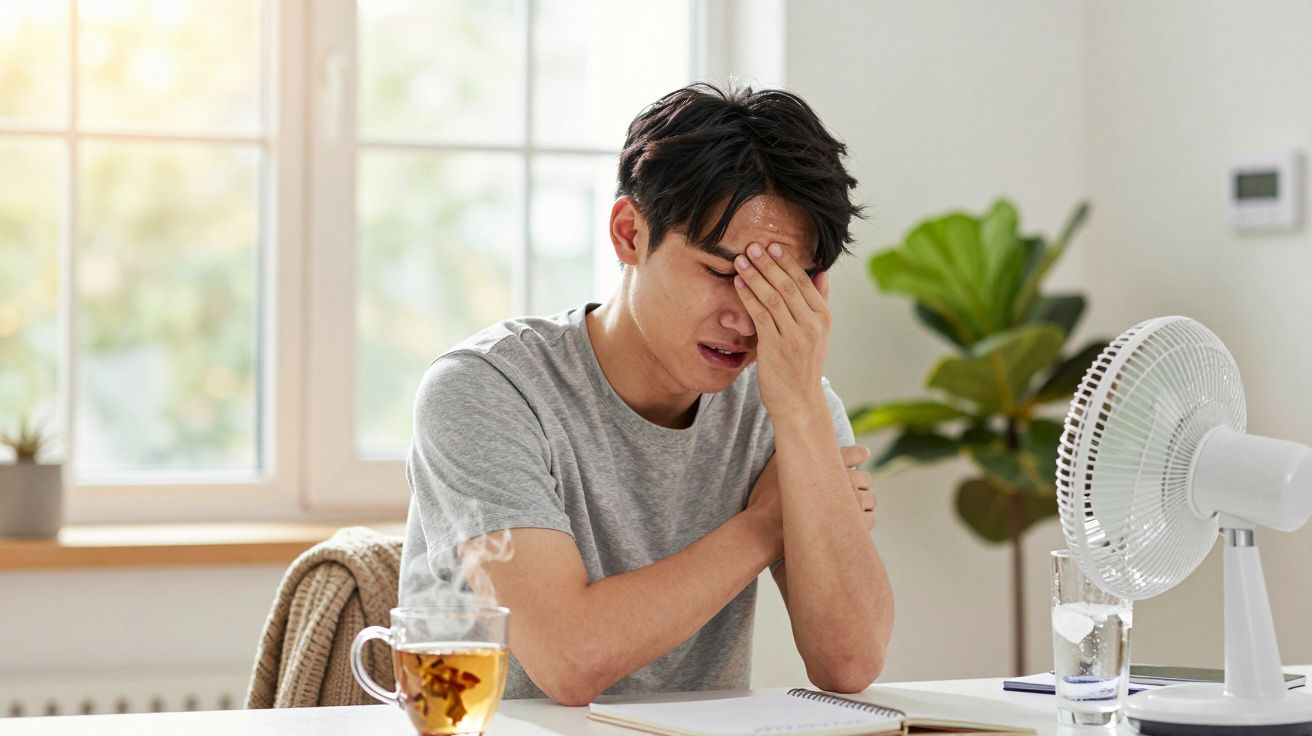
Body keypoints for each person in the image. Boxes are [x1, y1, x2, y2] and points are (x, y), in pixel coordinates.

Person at [399, 83, 894, 706]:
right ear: (629, 232)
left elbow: (849, 662)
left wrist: (800, 415)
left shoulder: (792, 401)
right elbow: (570, 659)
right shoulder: (486, 389)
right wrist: (767, 524)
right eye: (723, 273)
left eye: (781, 286)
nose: (747, 320)